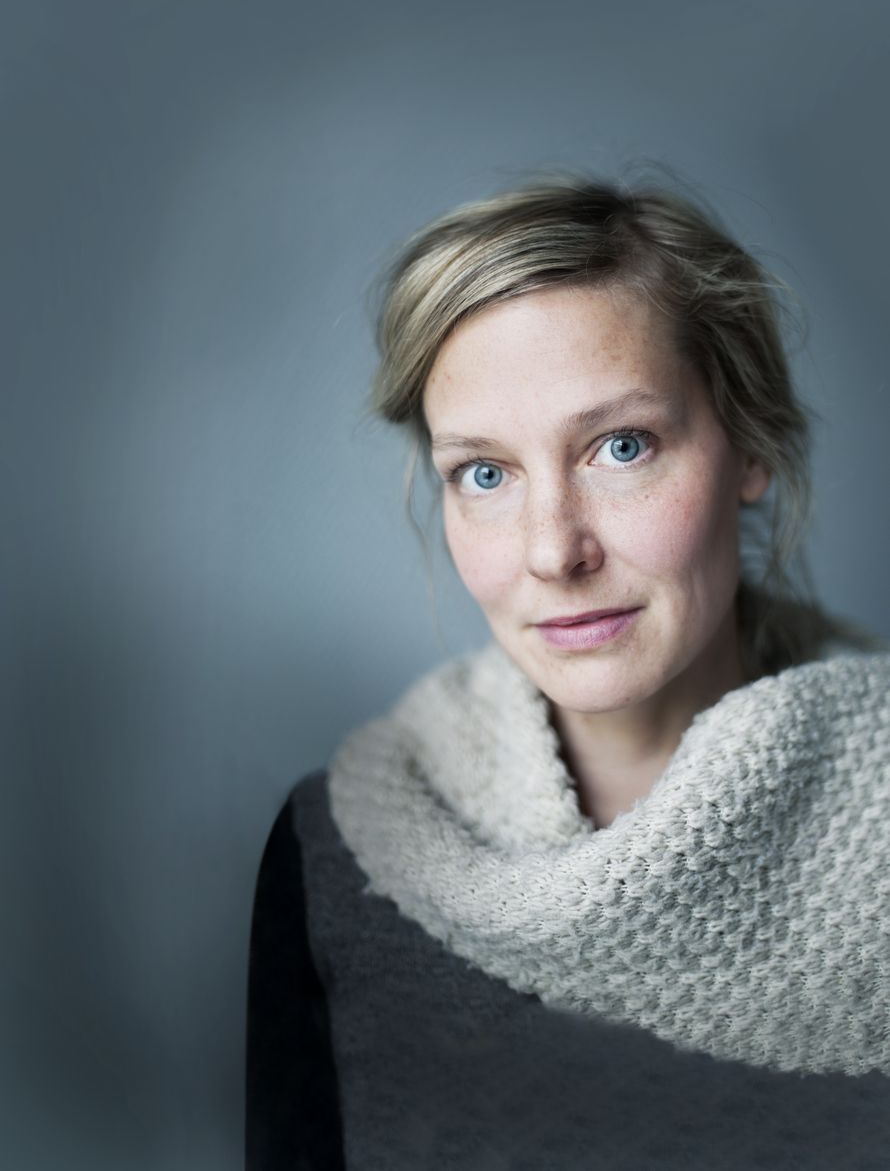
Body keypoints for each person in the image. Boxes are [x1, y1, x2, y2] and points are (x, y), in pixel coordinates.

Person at [245, 176, 890, 1169]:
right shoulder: (335, 850)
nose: (553, 550)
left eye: (620, 447)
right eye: (485, 473)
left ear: (749, 444)